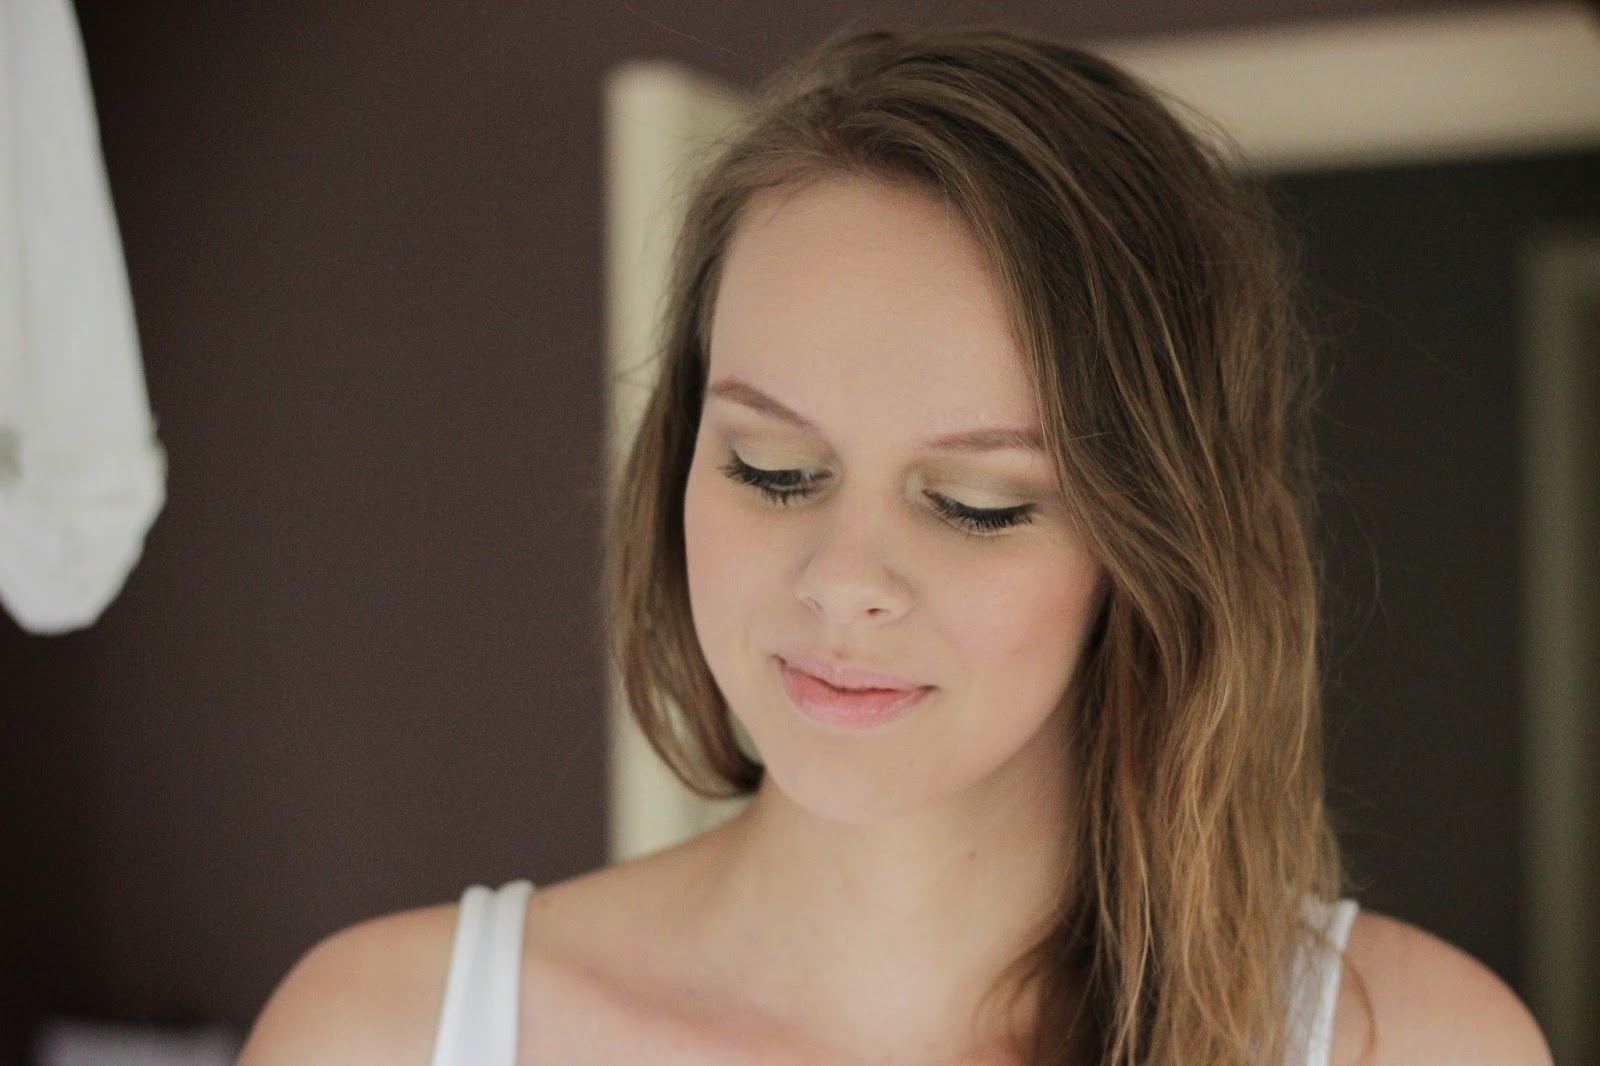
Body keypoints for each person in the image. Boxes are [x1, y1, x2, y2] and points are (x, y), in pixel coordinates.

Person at [239, 26, 1551, 1066]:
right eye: (773, 469)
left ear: (1155, 543)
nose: (842, 581)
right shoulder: (384, 1034)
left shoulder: (1410, 1045)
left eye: (977, 501)